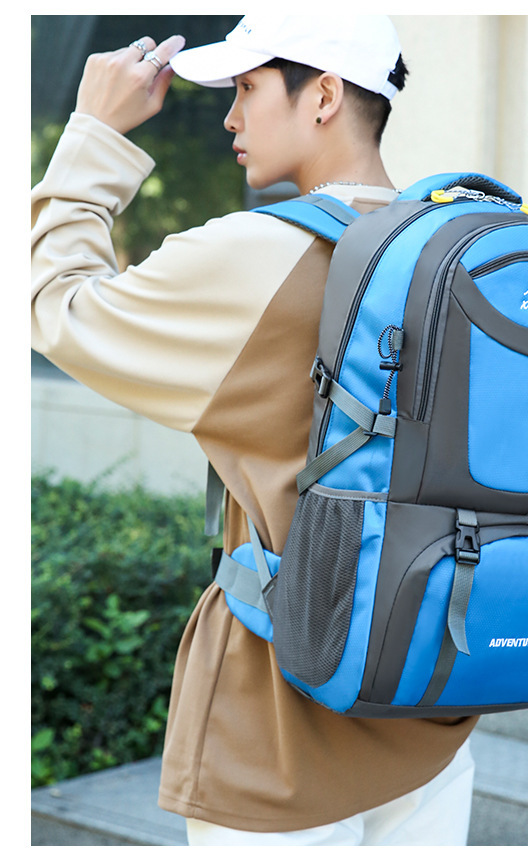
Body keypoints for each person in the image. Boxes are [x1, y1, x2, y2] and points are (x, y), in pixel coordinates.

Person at [31, 14, 478, 846]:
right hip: (429, 705)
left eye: (246, 88)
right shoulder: (453, 248)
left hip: (281, 731)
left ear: (325, 95)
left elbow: (53, 305)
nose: (231, 117)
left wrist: (94, 132)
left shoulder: (252, 253)